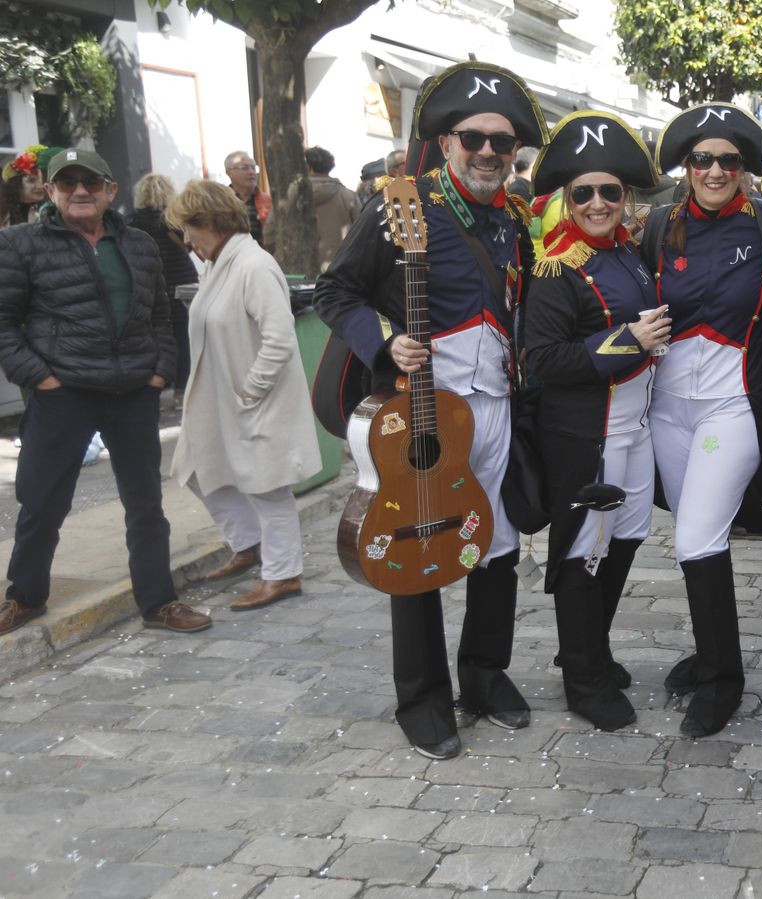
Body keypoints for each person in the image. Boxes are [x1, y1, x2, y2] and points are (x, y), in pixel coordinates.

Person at [316, 61, 548, 760]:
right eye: (472, 138)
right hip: (422, 413)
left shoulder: (514, 218)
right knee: (415, 541)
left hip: (494, 406)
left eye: (501, 143)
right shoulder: (401, 205)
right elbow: (336, 292)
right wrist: (386, 344)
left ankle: (485, 676)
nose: (486, 152)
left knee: (494, 543)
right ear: (446, 143)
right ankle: (421, 698)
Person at [0, 148, 203, 638]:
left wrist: (160, 371)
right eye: (67, 183)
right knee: (43, 502)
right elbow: (4, 323)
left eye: (90, 182)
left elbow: (160, 314)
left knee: (145, 503)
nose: (80, 191)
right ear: (50, 192)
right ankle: (24, 596)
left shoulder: (138, 243)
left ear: (111, 190)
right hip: (62, 393)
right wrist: (39, 377)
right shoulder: (20, 244)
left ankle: (159, 602)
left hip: (132, 392)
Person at [634, 103, 762, 738]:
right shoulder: (658, 226)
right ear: (686, 167)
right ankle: (709, 654)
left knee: (698, 535)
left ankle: (723, 680)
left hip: (735, 403)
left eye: (729, 160)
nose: (716, 170)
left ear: (745, 167)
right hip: (668, 409)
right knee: (694, 537)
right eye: (703, 159)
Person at [522, 111, 665, 732]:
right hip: (587, 431)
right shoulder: (557, 266)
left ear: (625, 196)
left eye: (609, 191)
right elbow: (543, 360)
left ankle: (590, 649)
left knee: (626, 538)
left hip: (636, 426)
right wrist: (628, 341)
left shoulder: (628, 252)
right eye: (584, 194)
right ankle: (583, 678)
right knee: (584, 551)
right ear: (567, 199)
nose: (598, 204)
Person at [167, 180, 320, 611]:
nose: (187, 239)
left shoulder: (253, 265)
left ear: (210, 221)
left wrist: (251, 389)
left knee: (267, 488)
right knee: (196, 469)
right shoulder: (219, 264)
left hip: (252, 399)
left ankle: (283, 574)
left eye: (188, 227)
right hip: (219, 399)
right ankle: (248, 543)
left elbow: (280, 339)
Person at [129, 174, 197, 406]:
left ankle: (156, 385)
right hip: (180, 282)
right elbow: (189, 246)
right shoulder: (173, 219)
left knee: (153, 336)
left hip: (149, 283)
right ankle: (181, 390)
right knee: (182, 337)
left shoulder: (132, 221)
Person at [305, 146, 360, 272]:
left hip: (300, 272)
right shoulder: (349, 196)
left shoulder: (290, 197)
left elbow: (269, 234)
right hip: (340, 268)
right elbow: (362, 233)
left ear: (308, 167)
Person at [224, 150, 271, 245]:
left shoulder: (268, 200)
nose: (251, 172)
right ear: (229, 172)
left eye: (254, 168)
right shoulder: (221, 201)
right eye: (245, 168)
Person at [1, 144, 47, 228]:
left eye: (41, 180)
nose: (41, 186)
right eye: (32, 181)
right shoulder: (3, 214)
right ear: (15, 185)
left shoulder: (48, 211)